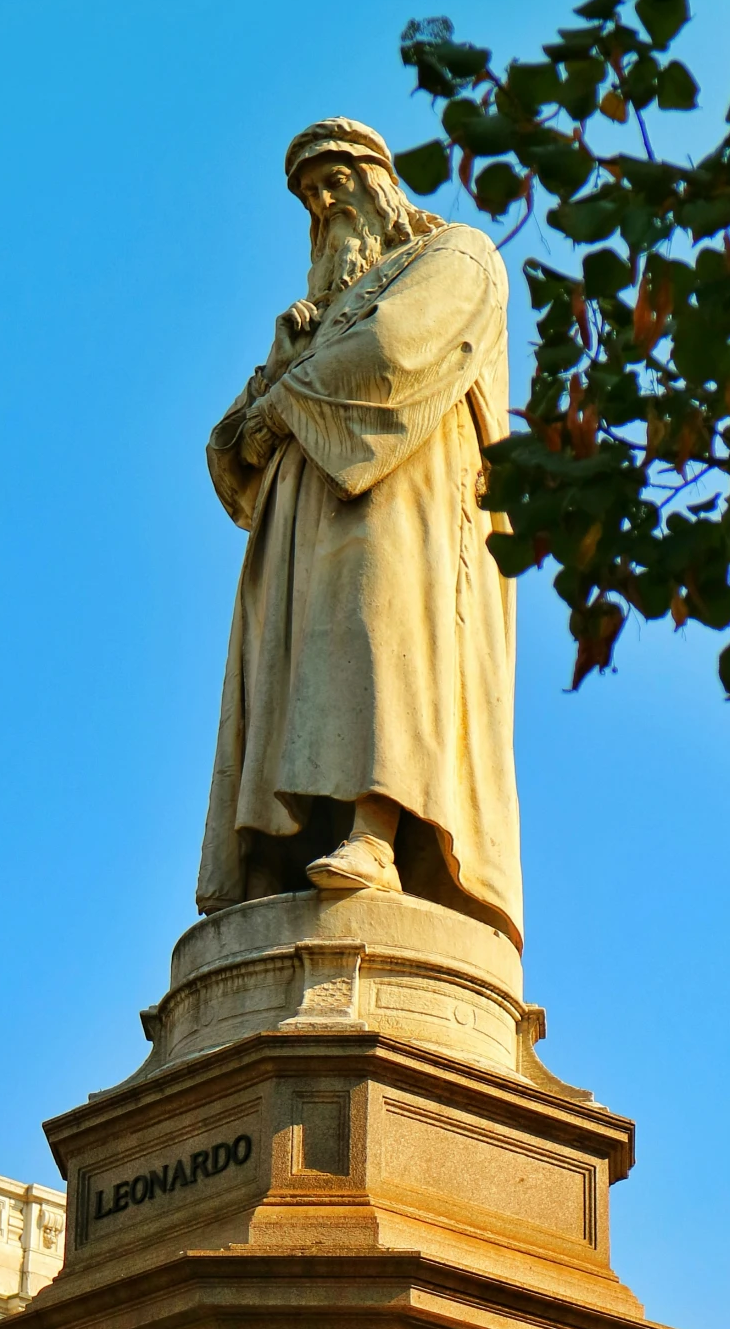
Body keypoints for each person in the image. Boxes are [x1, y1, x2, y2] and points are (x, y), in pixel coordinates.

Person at [197, 118, 520, 949]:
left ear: (379, 180)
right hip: (299, 517)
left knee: (386, 643)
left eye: (335, 180)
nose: (324, 200)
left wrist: (282, 402)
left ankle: (376, 833)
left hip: (401, 489)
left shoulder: (458, 254)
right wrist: (280, 380)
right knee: (288, 668)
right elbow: (230, 442)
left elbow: (392, 352)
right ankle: (269, 858)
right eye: (310, 193)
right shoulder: (308, 321)